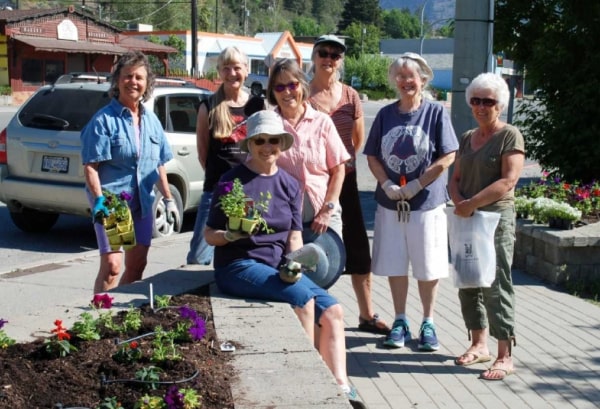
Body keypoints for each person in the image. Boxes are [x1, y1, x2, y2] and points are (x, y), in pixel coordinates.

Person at [204, 110, 367, 409]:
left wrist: (295, 263)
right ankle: (305, 382)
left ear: (282, 143)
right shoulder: (232, 181)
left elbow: (294, 236)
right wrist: (229, 235)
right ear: (250, 143)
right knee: (302, 302)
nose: (268, 147)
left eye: (274, 141)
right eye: (260, 141)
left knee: (333, 311)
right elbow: (209, 234)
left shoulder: (291, 184)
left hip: (278, 265)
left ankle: (341, 386)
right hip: (238, 265)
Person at [363, 53, 458, 351]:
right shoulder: (385, 114)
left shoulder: (435, 113)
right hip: (391, 204)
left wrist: (419, 183)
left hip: (426, 204)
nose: (406, 81)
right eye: (400, 76)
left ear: (423, 79)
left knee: (428, 265)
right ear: (394, 80)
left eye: (411, 76)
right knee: (394, 263)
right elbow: (373, 155)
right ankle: (400, 320)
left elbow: (448, 155)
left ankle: (428, 321)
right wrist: (386, 183)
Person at [308, 35, 390, 335]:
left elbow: (356, 140)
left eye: (335, 55)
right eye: (324, 53)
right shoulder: (303, 94)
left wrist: (340, 167)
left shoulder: (350, 96)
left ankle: (367, 315)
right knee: (310, 246)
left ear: (341, 60)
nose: (329, 59)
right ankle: (311, 312)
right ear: (315, 57)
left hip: (347, 179)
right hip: (313, 182)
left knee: (357, 248)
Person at [81, 51, 178, 294]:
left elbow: (159, 164)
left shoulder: (152, 120)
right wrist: (100, 199)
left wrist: (168, 199)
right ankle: (98, 315)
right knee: (113, 266)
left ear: (147, 84)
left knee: (137, 266)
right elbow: (91, 166)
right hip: (114, 203)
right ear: (118, 80)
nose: (133, 82)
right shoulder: (104, 120)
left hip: (143, 203)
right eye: (127, 76)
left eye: (139, 77)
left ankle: (118, 314)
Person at [448, 72, 524, 380]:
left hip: (495, 219)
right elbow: (455, 178)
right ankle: (478, 344)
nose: (481, 106)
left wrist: (471, 204)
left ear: (500, 105)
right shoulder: (467, 137)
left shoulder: (510, 136)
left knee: (496, 283)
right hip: (467, 217)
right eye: (476, 100)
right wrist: (459, 203)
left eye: (488, 101)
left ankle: (505, 354)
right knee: (467, 279)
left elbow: (508, 181)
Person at [187, 46, 263, 265]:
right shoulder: (208, 106)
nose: (232, 74)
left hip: (250, 192)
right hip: (216, 192)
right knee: (198, 257)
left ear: (246, 70)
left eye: (237, 68)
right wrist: (222, 182)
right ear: (219, 72)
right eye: (226, 68)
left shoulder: (258, 105)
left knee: (246, 252)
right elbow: (204, 155)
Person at [266, 57, 349, 241]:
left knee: (326, 267)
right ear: (273, 92)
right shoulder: (269, 125)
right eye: (279, 87)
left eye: (292, 85)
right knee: (288, 268)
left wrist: (327, 211)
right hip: (283, 217)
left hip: (324, 213)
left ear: (302, 85)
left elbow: (339, 171)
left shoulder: (322, 122)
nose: (287, 92)